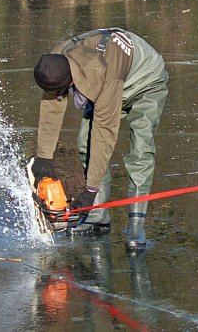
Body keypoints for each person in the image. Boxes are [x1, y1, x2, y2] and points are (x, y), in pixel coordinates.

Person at [30, 28, 169, 251]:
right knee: (85, 142)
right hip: (110, 77)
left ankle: (136, 224)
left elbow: (104, 134)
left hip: (146, 81)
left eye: (62, 92)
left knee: (140, 152)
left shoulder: (102, 75)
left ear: (71, 81)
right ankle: (98, 216)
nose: (59, 97)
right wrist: (43, 157)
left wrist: (90, 191)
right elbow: (51, 106)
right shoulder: (54, 61)